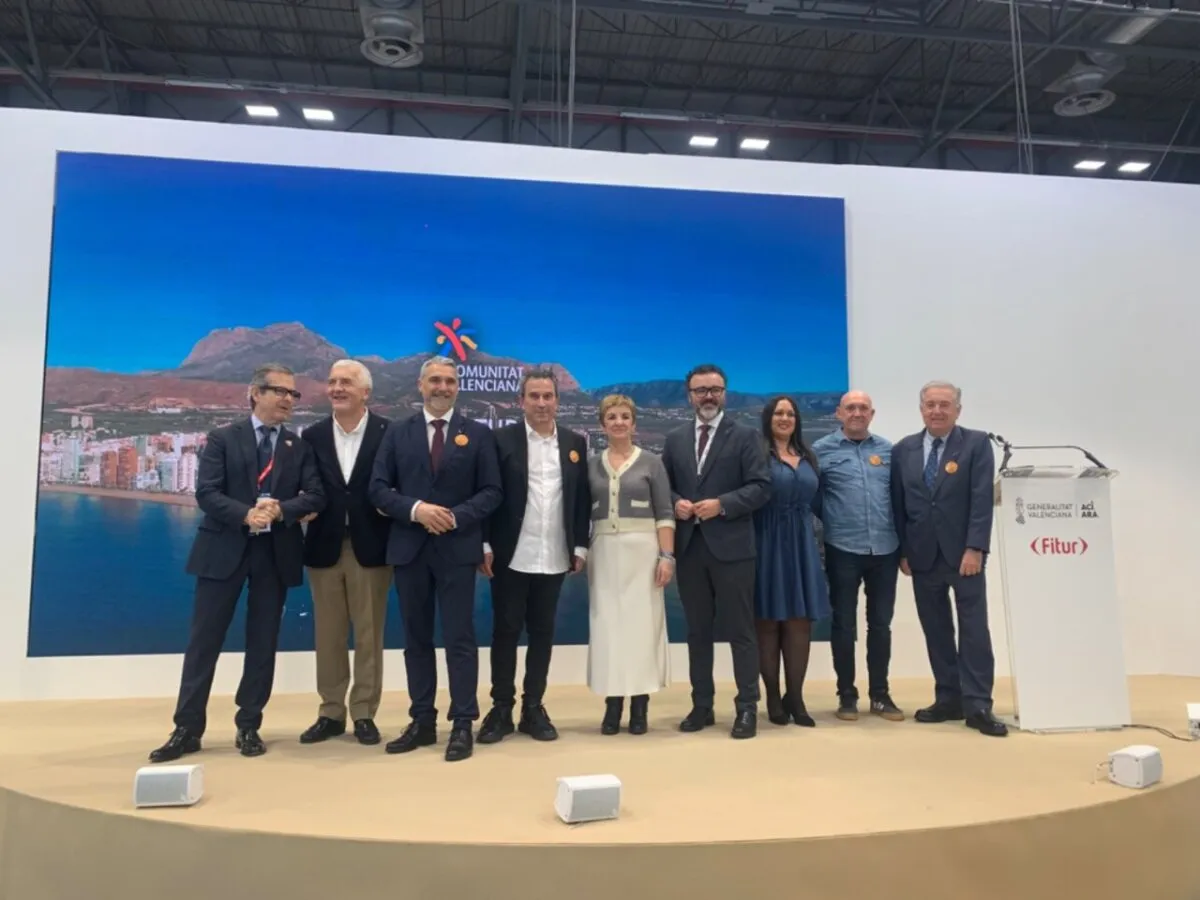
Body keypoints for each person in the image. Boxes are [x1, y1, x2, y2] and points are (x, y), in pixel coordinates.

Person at [149, 363, 325, 763]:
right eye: (279, 391)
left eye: (293, 394)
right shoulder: (223, 438)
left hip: (274, 553)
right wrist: (246, 514)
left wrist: (280, 510)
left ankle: (249, 725)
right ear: (255, 393)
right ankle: (187, 728)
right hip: (223, 550)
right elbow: (207, 493)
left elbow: (315, 495)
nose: (288, 399)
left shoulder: (298, 447)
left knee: (263, 643)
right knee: (203, 642)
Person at [368, 356, 503, 761]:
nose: (442, 387)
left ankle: (462, 722)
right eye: (435, 381)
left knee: (460, 639)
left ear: (457, 387)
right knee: (416, 640)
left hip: (457, 549)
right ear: (420, 385)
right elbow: (378, 488)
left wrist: (454, 517)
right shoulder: (397, 432)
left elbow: (492, 491)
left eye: (449, 381)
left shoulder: (478, 434)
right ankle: (422, 720)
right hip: (410, 549)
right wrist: (416, 510)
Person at [477, 367, 591, 744]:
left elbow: (580, 500)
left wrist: (579, 546)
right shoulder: (500, 440)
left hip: (554, 554)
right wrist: (484, 544)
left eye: (548, 396)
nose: (541, 403)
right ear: (521, 401)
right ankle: (501, 708)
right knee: (505, 631)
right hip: (510, 554)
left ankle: (533, 707)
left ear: (557, 401)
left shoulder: (575, 443)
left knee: (543, 632)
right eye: (534, 396)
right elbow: (486, 495)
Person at [660, 363, 771, 739]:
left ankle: (747, 708)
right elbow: (664, 486)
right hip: (690, 550)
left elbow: (761, 487)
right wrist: (676, 501)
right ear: (689, 395)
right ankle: (701, 706)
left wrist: (722, 504)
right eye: (701, 390)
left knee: (741, 632)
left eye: (715, 389)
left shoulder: (746, 436)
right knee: (697, 633)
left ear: (725, 393)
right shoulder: (675, 438)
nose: (708, 396)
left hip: (734, 550)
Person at [891, 380, 1007, 738]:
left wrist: (975, 548)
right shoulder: (904, 449)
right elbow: (899, 505)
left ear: (958, 410)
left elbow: (981, 500)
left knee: (974, 631)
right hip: (922, 556)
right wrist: (904, 551)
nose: (937, 411)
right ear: (921, 409)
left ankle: (978, 704)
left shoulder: (976, 444)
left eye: (944, 404)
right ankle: (948, 698)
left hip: (963, 556)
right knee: (936, 630)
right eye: (930, 405)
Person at [298, 360, 393, 747]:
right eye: (332, 381)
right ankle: (331, 712)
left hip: (372, 546)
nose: (337, 388)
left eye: (346, 383)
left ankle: (365, 712)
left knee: (369, 634)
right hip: (324, 545)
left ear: (365, 392)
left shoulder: (390, 432)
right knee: (329, 634)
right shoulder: (312, 435)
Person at [812, 390, 904, 723]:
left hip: (886, 550)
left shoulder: (889, 451)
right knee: (843, 624)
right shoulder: (821, 451)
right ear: (839, 413)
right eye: (850, 407)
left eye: (863, 408)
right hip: (842, 549)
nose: (857, 413)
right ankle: (846, 695)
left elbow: (899, 499)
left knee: (880, 624)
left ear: (871, 414)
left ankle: (880, 695)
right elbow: (814, 499)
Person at [585, 395, 675, 735]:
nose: (619, 422)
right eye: (612, 417)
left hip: (643, 553)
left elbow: (665, 513)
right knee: (607, 628)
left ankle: (639, 705)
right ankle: (613, 704)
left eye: (625, 416)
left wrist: (666, 556)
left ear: (634, 423)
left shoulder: (652, 463)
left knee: (641, 629)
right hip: (604, 552)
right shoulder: (591, 465)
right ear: (602, 424)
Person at [753, 396, 830, 727]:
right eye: (778, 413)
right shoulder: (757, 455)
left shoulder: (809, 456)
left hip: (801, 544)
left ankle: (795, 697)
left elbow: (819, 502)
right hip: (765, 541)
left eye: (790, 414)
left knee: (800, 622)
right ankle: (772, 695)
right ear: (768, 418)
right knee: (768, 622)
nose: (784, 418)